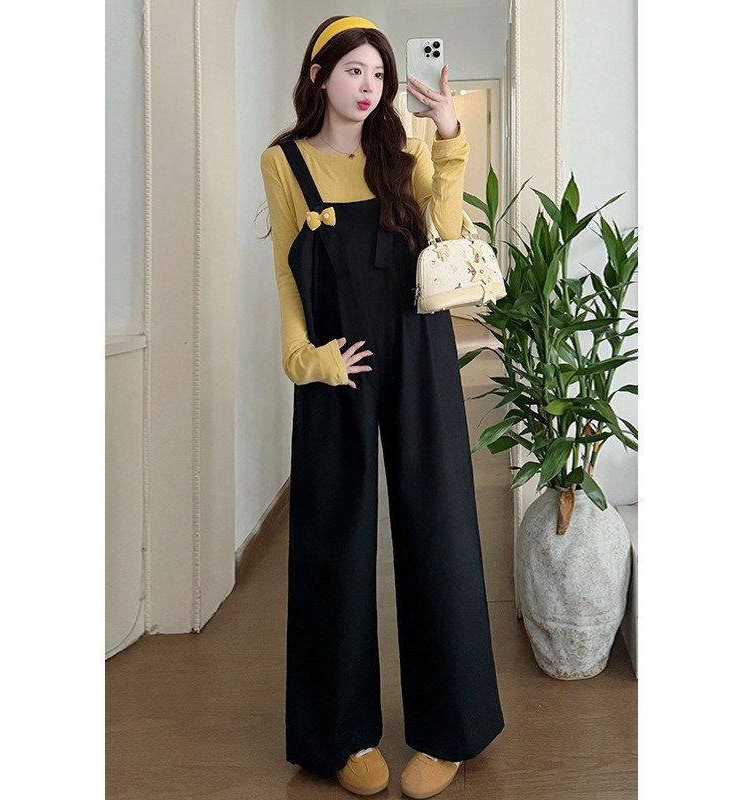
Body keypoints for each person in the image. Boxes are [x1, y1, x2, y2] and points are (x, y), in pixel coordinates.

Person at [259, 15, 505, 799]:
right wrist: (306, 360)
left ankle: (449, 731)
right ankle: (342, 736)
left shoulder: (402, 154)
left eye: (378, 74)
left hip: (420, 349)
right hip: (339, 365)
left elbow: (450, 232)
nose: (369, 87)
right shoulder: (284, 162)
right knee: (332, 537)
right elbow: (288, 276)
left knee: (440, 526)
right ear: (319, 75)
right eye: (354, 71)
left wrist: (448, 135)